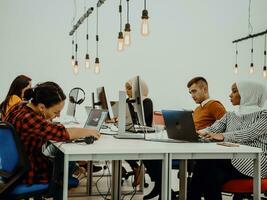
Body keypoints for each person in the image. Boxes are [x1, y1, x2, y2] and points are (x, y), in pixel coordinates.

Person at [4, 81, 100, 199]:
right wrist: (88, 131)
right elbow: (61, 133)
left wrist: (48, 118)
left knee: (59, 154)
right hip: (28, 173)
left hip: (13, 170)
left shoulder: (19, 107)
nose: (58, 115)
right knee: (65, 159)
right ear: (41, 107)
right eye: (56, 112)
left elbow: (47, 129)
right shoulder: (29, 118)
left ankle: (74, 172)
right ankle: (58, 190)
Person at [144, 77, 226, 200]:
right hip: (190, 144)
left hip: (201, 150)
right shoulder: (198, 108)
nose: (192, 95)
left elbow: (225, 125)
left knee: (154, 157)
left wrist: (206, 132)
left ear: (204, 89)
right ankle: (163, 188)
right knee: (149, 154)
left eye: (194, 91)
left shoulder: (214, 105)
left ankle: (163, 189)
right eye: (190, 93)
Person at [188, 81, 267, 200]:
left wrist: (223, 136)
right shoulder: (230, 115)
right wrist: (197, 133)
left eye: (234, 91)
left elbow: (250, 133)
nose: (230, 95)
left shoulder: (264, 115)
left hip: (254, 162)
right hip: (231, 159)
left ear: (248, 94)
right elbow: (212, 129)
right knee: (208, 173)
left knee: (206, 167)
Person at [124, 78, 153, 187]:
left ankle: (136, 168)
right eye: (126, 89)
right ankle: (133, 167)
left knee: (122, 145)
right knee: (119, 142)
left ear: (138, 88)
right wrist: (118, 118)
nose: (127, 91)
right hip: (132, 132)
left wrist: (130, 106)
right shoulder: (128, 101)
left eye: (130, 88)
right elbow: (128, 119)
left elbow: (140, 120)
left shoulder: (146, 102)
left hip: (144, 136)